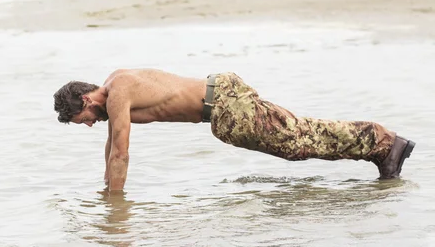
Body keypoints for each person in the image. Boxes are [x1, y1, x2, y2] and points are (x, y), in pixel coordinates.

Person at [53, 69, 415, 192]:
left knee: (297, 142)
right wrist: (106, 188)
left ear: (86, 100)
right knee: (299, 137)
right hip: (223, 101)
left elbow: (121, 153)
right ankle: (382, 148)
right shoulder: (115, 88)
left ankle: (385, 144)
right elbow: (110, 148)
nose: (86, 125)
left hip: (224, 104)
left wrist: (116, 209)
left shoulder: (118, 93)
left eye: (81, 119)